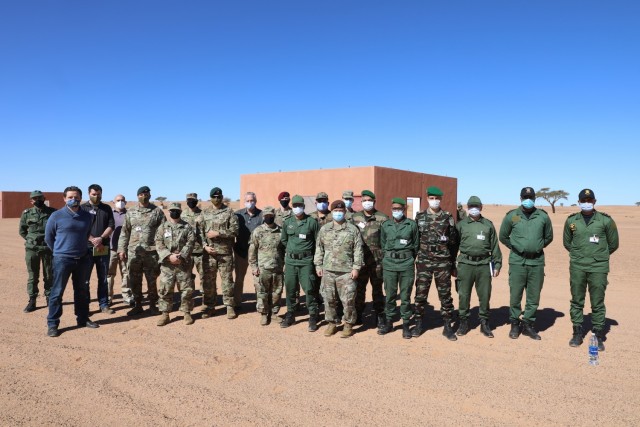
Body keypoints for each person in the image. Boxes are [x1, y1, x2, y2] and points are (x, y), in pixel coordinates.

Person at [563, 188, 619, 350]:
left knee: (597, 301)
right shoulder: (571, 221)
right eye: (583, 201)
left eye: (589, 201)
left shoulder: (605, 221)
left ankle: (598, 334)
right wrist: (579, 255)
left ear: (594, 202)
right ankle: (577, 332)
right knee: (576, 300)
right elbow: (568, 243)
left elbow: (613, 244)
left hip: (598, 267)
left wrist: (598, 255)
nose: (586, 203)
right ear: (579, 202)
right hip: (578, 266)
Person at [499, 187, 553, 340]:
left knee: (533, 296)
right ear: (520, 198)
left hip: (536, 261)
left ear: (535, 198)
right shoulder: (512, 216)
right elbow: (503, 236)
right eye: (525, 197)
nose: (528, 199)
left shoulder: (542, 216)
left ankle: (528, 324)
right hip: (517, 261)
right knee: (515, 294)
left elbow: (548, 237)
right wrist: (516, 247)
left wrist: (536, 247)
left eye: (530, 197)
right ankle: (515, 323)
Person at [44, 186, 98, 337]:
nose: (73, 199)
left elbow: (87, 234)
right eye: (70, 197)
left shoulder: (87, 216)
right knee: (57, 292)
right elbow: (49, 237)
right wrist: (59, 251)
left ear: (81, 198)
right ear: (64, 198)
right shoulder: (56, 216)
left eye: (76, 197)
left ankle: (82, 318)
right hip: (62, 260)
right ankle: (53, 323)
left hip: (82, 259)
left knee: (81, 291)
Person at [413, 186, 460, 341]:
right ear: (427, 199)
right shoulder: (419, 217)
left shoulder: (448, 217)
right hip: (424, 262)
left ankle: (447, 326)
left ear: (441, 199)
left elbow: (453, 242)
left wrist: (452, 263)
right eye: (431, 198)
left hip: (443, 262)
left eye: (437, 198)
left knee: (445, 295)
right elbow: (415, 240)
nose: (434, 201)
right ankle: (419, 323)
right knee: (420, 294)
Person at [455, 196, 502, 338]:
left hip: (483, 265)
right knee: (463, 295)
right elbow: (453, 246)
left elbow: (495, 246)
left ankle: (484, 323)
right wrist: (452, 265)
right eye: (471, 206)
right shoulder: (461, 225)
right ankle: (463, 322)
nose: (474, 209)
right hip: (465, 264)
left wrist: (497, 264)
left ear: (481, 207)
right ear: (467, 208)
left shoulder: (488, 225)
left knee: (485, 295)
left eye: (476, 206)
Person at [315, 200, 363, 338]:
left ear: (345, 212)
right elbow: (319, 248)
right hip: (328, 270)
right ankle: (332, 323)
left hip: (346, 272)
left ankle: (348, 324)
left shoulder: (352, 230)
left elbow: (358, 250)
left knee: (348, 300)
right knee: (328, 299)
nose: (338, 213)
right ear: (331, 212)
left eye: (340, 211)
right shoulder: (324, 229)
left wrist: (356, 268)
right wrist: (318, 265)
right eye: (335, 211)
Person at [117, 186, 166, 316]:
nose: (145, 196)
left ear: (150, 195)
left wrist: (163, 251)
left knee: (152, 280)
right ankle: (138, 305)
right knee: (134, 280)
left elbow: (164, 232)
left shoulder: (157, 212)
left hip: (151, 253)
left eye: (147, 193)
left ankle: (152, 305)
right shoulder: (131, 212)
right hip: (134, 253)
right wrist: (121, 249)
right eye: (142, 194)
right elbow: (124, 232)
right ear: (138, 196)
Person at [378, 198, 419, 338]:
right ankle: (389, 323)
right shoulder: (386, 225)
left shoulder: (411, 225)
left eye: (399, 209)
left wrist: (407, 257)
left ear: (404, 209)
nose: (396, 211)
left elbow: (416, 245)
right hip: (389, 264)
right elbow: (382, 244)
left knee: (405, 296)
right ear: (391, 209)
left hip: (406, 264)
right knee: (390, 295)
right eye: (394, 208)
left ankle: (406, 325)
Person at [280, 195, 320, 331]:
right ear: (292, 206)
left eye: (300, 205)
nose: (297, 208)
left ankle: (313, 315)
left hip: (306, 261)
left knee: (309, 288)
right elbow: (284, 240)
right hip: (291, 261)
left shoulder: (312, 222)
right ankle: (290, 314)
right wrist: (292, 250)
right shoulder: (287, 222)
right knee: (290, 288)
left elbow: (317, 242)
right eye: (295, 205)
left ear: (304, 206)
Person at [198, 187, 239, 319]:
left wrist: (219, 233)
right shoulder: (205, 213)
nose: (217, 199)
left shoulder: (229, 212)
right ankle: (210, 307)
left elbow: (235, 231)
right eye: (214, 197)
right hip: (209, 253)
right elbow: (199, 232)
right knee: (209, 282)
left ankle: (229, 306)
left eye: (219, 197)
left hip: (224, 253)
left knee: (227, 281)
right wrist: (204, 246)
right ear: (210, 198)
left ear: (222, 197)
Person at [155, 202, 196, 326]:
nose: (174, 212)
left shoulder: (187, 227)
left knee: (186, 290)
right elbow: (158, 242)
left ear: (181, 212)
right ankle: (165, 314)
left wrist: (181, 256)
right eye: (172, 210)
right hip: (167, 265)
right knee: (165, 289)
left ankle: (187, 312)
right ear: (169, 212)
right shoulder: (163, 227)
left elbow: (191, 242)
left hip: (183, 264)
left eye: (177, 210)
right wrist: (169, 256)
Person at [351, 190, 388, 328]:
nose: (367, 203)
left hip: (377, 261)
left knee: (377, 289)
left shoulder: (382, 218)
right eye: (365, 200)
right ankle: (358, 314)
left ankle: (379, 316)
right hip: (360, 260)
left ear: (374, 202)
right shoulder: (355, 218)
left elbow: (386, 240)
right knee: (359, 289)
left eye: (370, 200)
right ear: (361, 202)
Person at [19, 190, 56, 313]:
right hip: (32, 249)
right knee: (33, 275)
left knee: (49, 275)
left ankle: (49, 298)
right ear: (31, 201)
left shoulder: (53, 212)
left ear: (44, 198)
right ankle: (32, 300)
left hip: (47, 249)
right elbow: (22, 230)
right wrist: (31, 240)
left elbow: (57, 229)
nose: (37, 200)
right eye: (35, 199)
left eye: (39, 197)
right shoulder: (27, 213)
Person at [81, 184, 115, 314]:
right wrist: (91, 239)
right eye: (94, 194)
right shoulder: (83, 208)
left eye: (98, 194)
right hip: (86, 250)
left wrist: (100, 238)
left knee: (103, 278)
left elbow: (111, 225)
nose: (96, 196)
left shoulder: (106, 208)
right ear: (89, 194)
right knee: (85, 279)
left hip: (103, 248)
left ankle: (104, 304)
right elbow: (80, 226)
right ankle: (85, 306)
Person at [248, 206, 285, 326]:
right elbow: (252, 250)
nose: (268, 217)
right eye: (266, 216)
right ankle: (264, 314)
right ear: (263, 216)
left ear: (274, 216)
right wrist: (254, 266)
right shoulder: (258, 231)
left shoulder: (281, 231)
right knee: (262, 292)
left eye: (271, 215)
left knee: (277, 292)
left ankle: (274, 313)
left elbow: (284, 249)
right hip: (263, 268)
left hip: (277, 267)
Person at [234, 191, 263, 311]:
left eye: (252, 201)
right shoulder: (238, 215)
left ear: (255, 202)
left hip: (257, 254)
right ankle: (236, 303)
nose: (250, 203)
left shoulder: (262, 215)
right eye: (248, 201)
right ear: (244, 201)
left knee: (259, 279)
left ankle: (260, 304)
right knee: (239, 278)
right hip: (241, 252)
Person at [181, 193, 206, 301]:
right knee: (187, 276)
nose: (191, 201)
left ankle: (205, 300)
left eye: (193, 200)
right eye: (189, 200)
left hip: (200, 250)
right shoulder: (182, 214)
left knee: (204, 276)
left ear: (197, 201)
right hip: (187, 251)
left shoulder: (203, 214)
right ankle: (189, 299)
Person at [107, 194, 131, 305]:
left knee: (126, 273)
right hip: (111, 249)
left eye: (122, 200)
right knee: (109, 274)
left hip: (126, 249)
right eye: (118, 200)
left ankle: (127, 296)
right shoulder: (109, 214)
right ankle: (108, 297)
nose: (120, 202)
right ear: (113, 201)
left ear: (125, 202)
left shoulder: (130, 214)